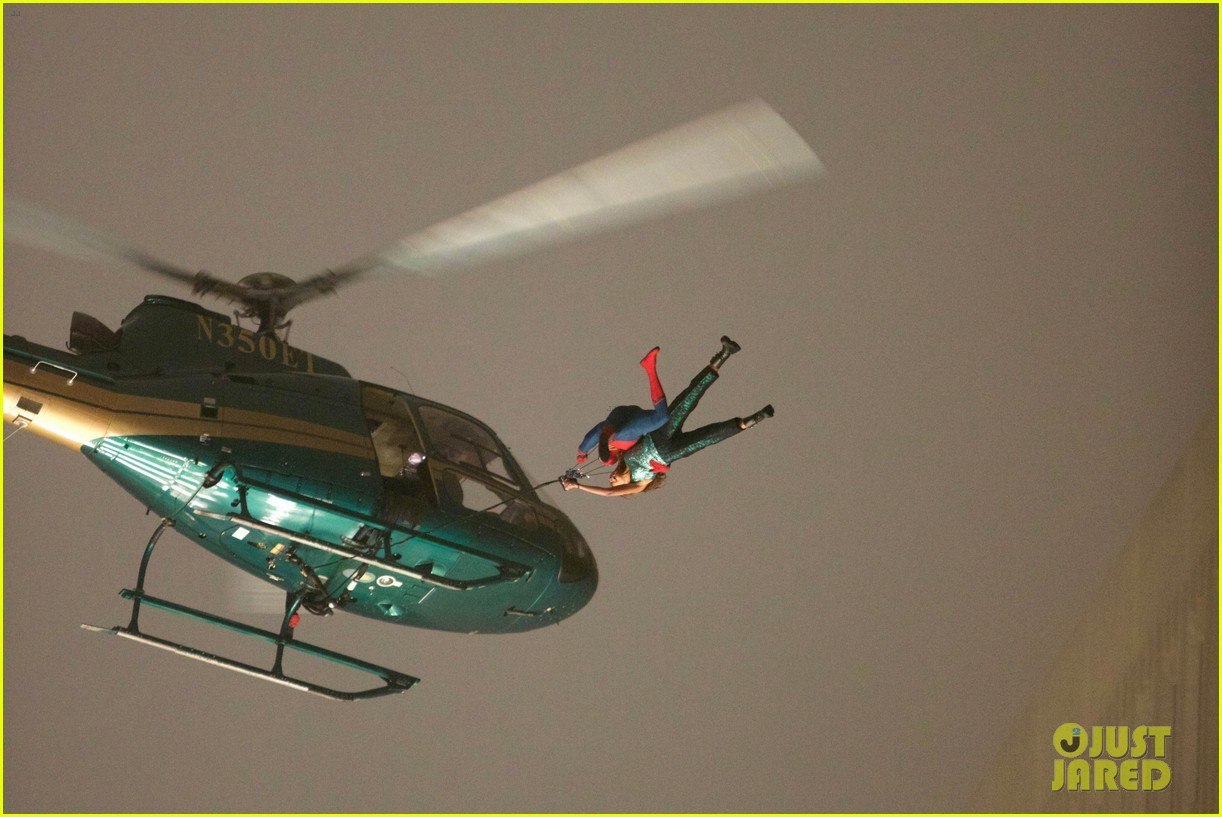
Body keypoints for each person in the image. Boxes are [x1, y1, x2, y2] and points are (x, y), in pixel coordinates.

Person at [563, 336, 773, 498]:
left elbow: (631, 433)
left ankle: (723, 355)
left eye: (610, 480)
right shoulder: (639, 484)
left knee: (688, 399)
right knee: (708, 437)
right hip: (669, 453)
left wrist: (589, 450)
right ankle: (751, 421)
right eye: (614, 483)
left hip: (658, 434)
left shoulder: (624, 457)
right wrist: (578, 487)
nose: (612, 480)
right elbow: (608, 493)